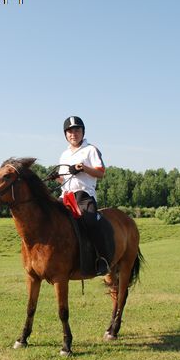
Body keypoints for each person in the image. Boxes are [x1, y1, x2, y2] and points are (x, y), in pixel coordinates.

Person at [57, 116, 113, 276]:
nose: (73, 134)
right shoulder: (64, 154)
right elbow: (65, 179)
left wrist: (83, 168)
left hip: (84, 196)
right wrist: (57, 177)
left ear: (82, 132)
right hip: (65, 196)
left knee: (90, 222)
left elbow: (101, 173)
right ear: (65, 134)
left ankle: (102, 259)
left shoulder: (91, 150)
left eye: (77, 130)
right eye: (69, 131)